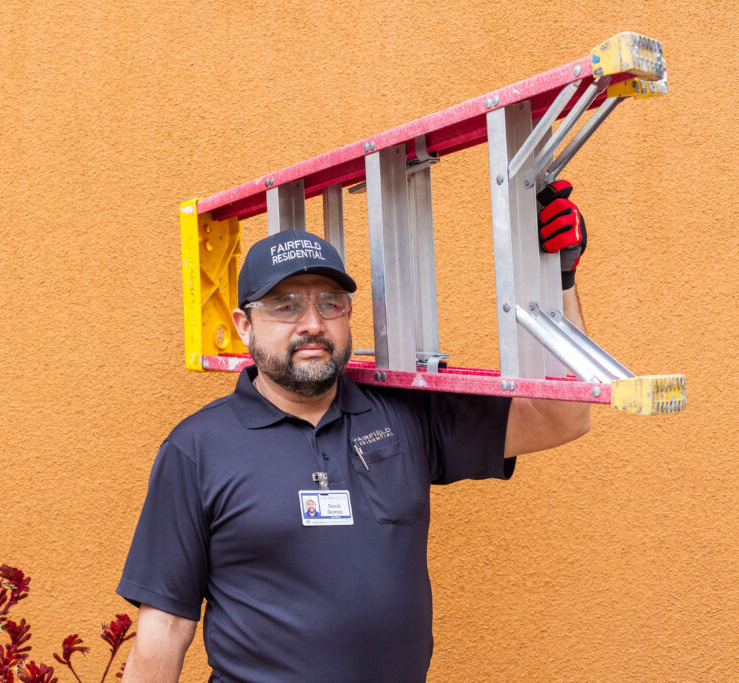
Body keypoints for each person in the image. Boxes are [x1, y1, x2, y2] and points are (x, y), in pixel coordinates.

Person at [117, 181, 591, 681]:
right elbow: (164, 630)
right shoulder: (197, 449)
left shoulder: (404, 414)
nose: (312, 323)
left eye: (330, 303)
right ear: (244, 325)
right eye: (284, 305)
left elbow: (564, 416)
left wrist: (554, 277)